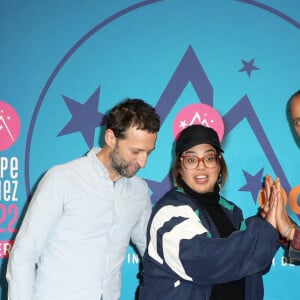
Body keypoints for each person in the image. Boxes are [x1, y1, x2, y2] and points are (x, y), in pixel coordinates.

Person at [6, 98, 160, 300]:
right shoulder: (62, 178)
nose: (143, 162)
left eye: (149, 152)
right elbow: (23, 255)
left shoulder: (139, 191)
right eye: (136, 151)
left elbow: (153, 253)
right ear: (111, 138)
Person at [138, 124, 290, 300]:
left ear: (219, 165)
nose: (201, 166)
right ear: (180, 167)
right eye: (191, 159)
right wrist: (266, 229)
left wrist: (268, 223)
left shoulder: (232, 212)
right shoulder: (169, 213)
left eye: (209, 158)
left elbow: (256, 264)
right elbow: (208, 263)